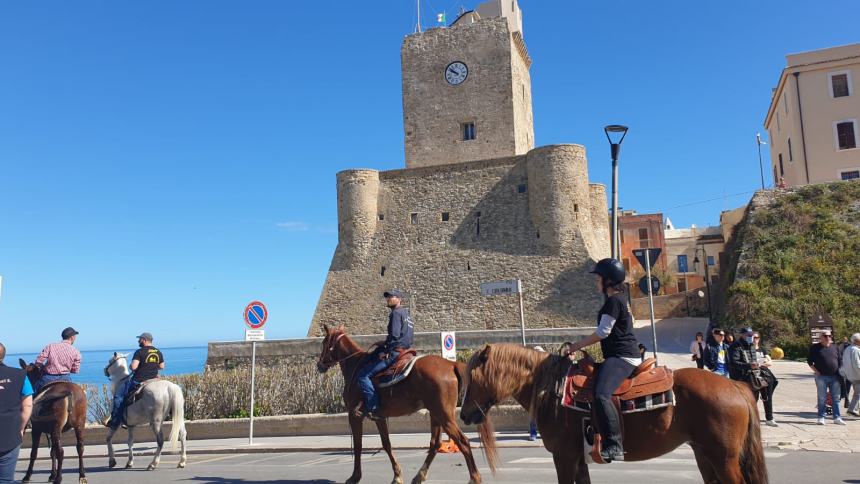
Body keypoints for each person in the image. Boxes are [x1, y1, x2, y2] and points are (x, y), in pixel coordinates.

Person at [566, 258, 641, 463]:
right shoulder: (620, 299)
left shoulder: (613, 301)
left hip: (622, 356)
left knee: (601, 394)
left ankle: (614, 444)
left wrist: (576, 346)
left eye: (598, 278)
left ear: (608, 280)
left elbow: (603, 332)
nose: (596, 282)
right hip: (619, 355)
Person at [356, 290, 414, 420]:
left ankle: (373, 407)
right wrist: (383, 343)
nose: (388, 299)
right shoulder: (406, 314)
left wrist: (386, 351)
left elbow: (394, 335)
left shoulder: (396, 313)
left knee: (363, 375)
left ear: (399, 299)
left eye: (391, 297)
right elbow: (405, 336)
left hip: (395, 352)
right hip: (407, 350)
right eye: (388, 297)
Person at [106, 332, 165, 429]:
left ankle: (116, 421)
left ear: (145, 340)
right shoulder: (158, 352)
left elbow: (133, 367)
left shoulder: (139, 352)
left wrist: (131, 366)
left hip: (139, 380)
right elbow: (162, 366)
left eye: (140, 339)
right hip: (154, 379)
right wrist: (151, 367)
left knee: (118, 396)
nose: (138, 341)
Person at [0, 342, 34, 483]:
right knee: (6, 480)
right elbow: (27, 405)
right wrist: (20, 427)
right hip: (10, 435)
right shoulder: (20, 375)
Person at [807, 330, 845, 425]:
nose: (828, 337)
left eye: (829, 336)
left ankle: (837, 417)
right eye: (825, 336)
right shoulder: (815, 348)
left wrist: (841, 372)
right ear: (821, 337)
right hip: (821, 377)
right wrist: (816, 372)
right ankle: (821, 417)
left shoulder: (835, 347)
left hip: (835, 376)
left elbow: (840, 361)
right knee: (822, 398)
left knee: (836, 398)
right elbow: (810, 362)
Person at [34, 327, 82, 393]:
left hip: (48, 378)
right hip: (65, 379)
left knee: (34, 390)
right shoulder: (76, 352)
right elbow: (75, 370)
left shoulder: (50, 346)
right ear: (72, 337)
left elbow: (38, 361)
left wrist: (42, 367)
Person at [752, 332, 779, 427]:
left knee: (767, 397)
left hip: (765, 374)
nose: (754, 339)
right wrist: (762, 362)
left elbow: (770, 362)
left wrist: (761, 363)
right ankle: (752, 418)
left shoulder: (762, 349)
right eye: (753, 337)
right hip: (753, 375)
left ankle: (769, 418)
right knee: (753, 397)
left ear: (759, 339)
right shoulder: (748, 349)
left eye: (756, 337)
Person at [841, 333, 860, 417]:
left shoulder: (848, 348)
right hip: (857, 374)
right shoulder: (856, 350)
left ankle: (852, 409)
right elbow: (857, 364)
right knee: (858, 393)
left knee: (857, 393)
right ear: (856, 341)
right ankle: (852, 409)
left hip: (850, 375)